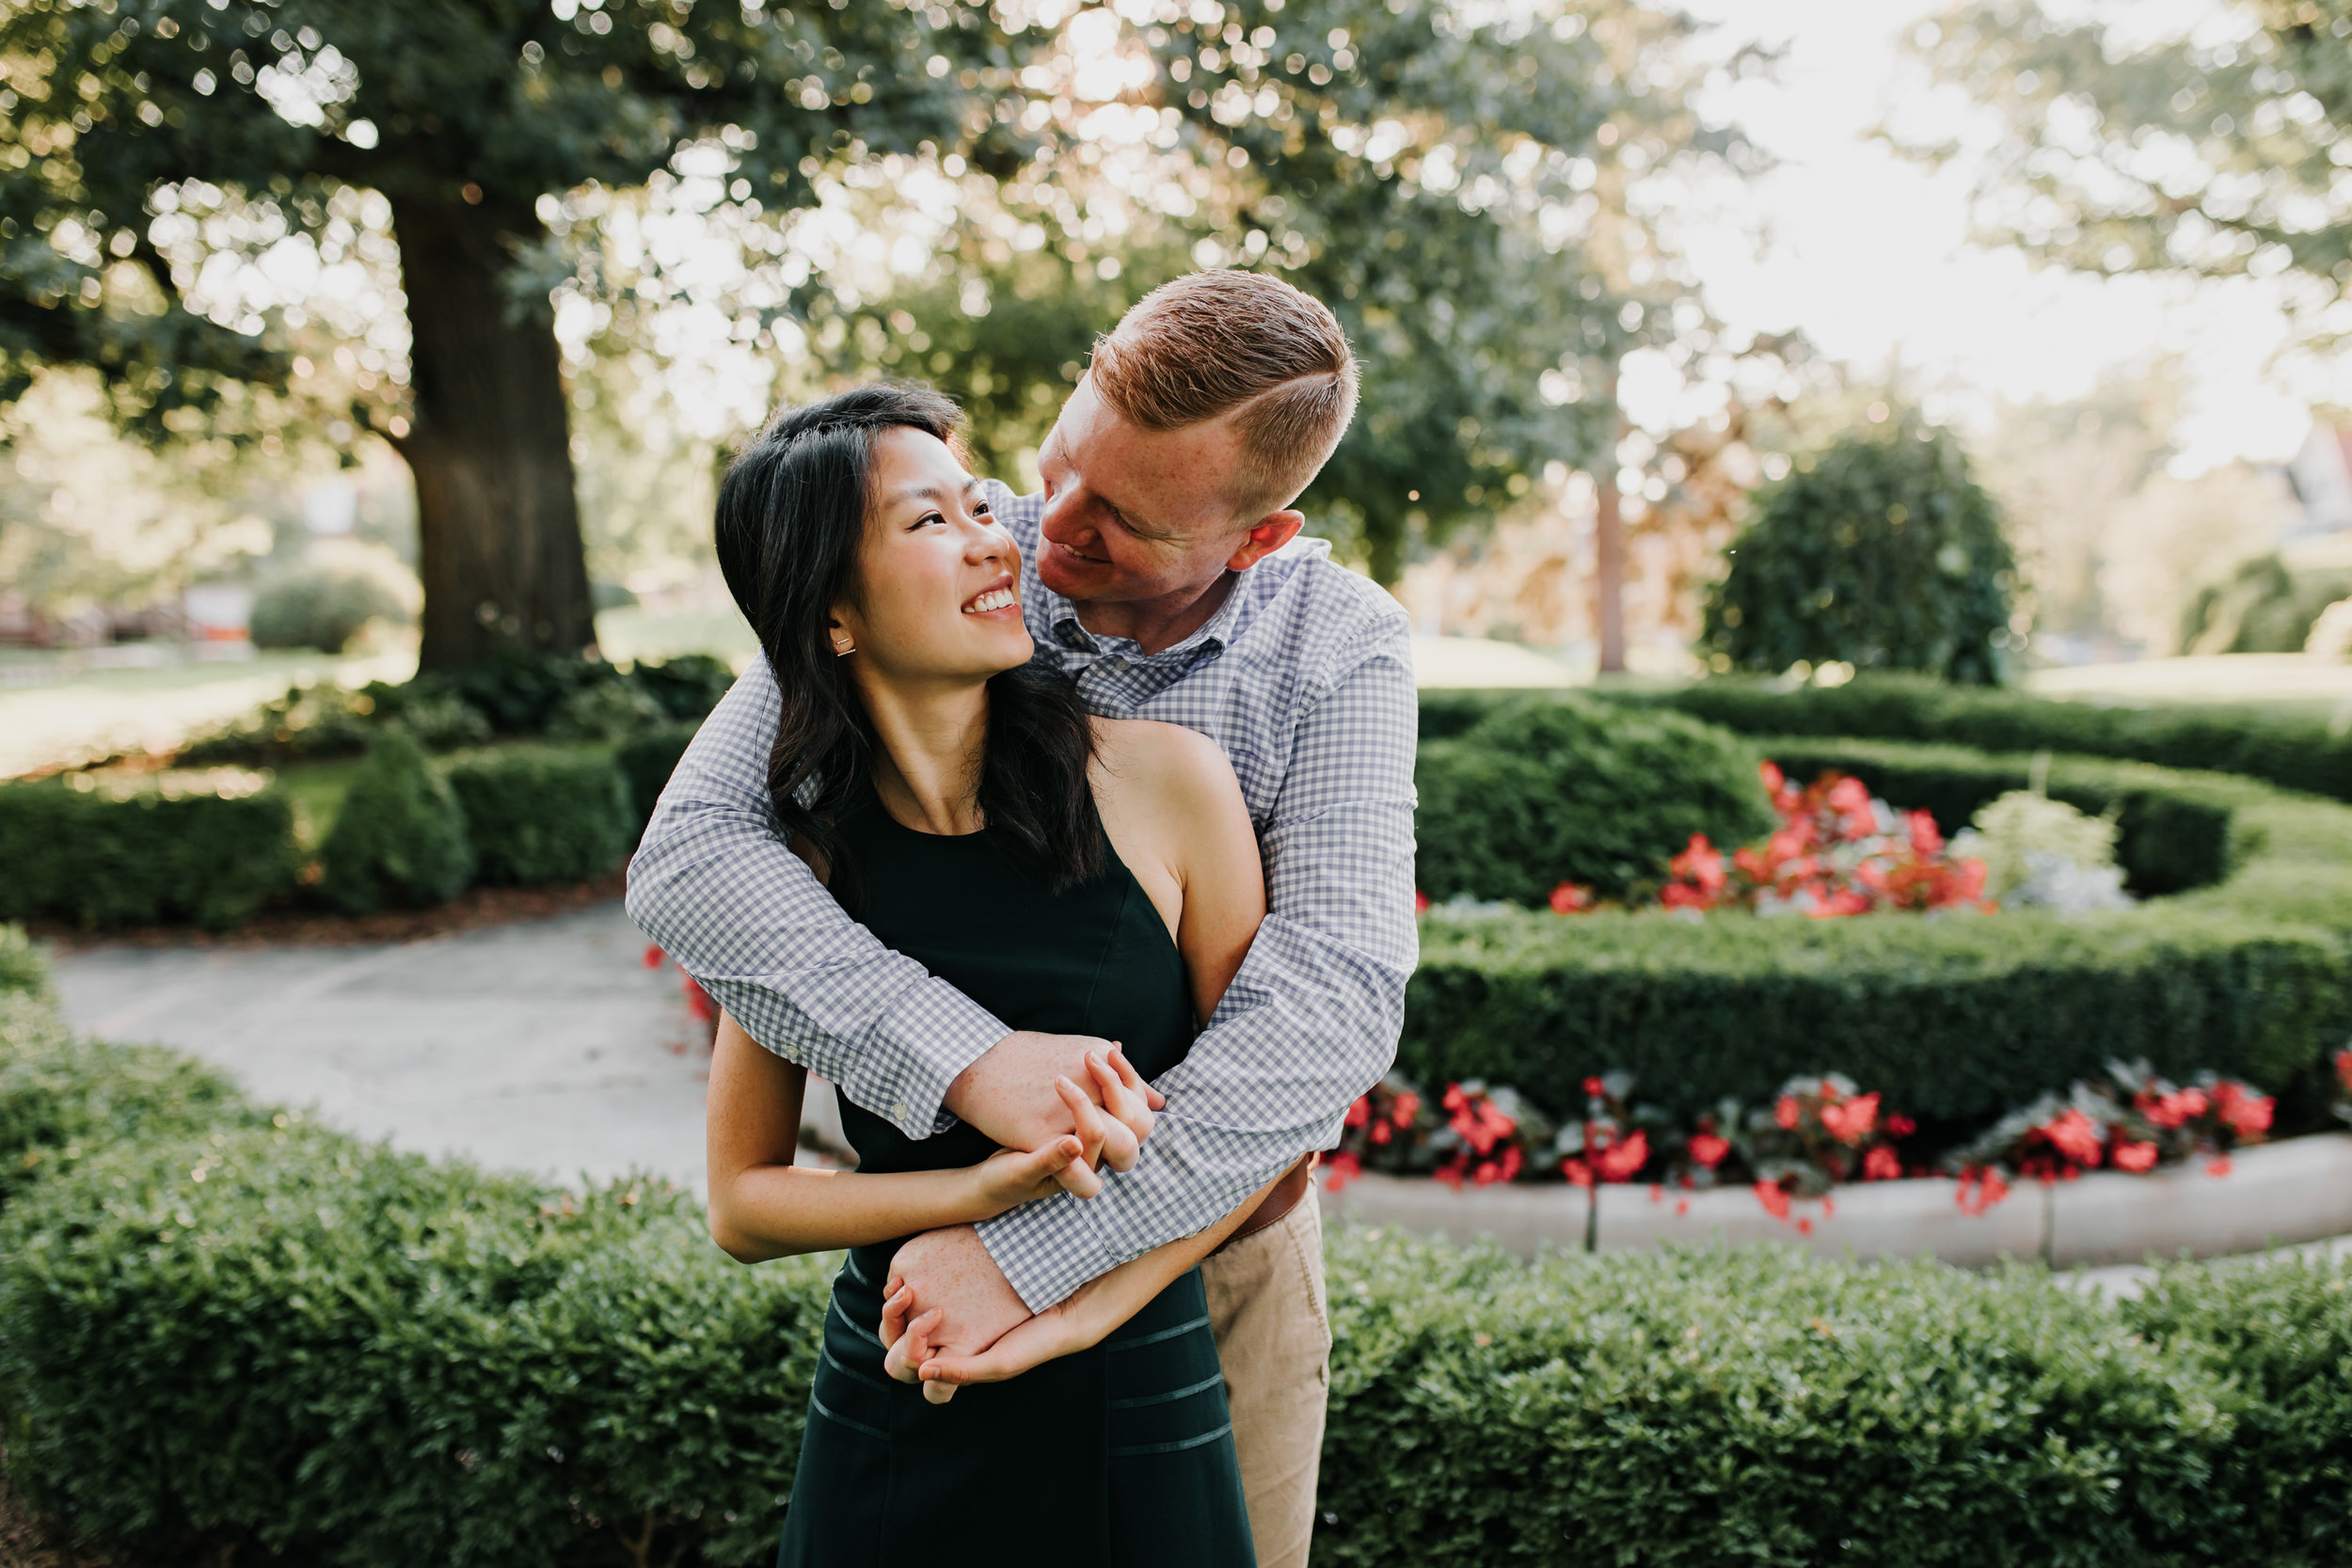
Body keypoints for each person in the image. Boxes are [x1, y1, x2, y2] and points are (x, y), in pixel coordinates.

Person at [629, 270, 1418, 1568]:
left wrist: (1038, 1246)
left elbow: (1324, 1013)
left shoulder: (1335, 649)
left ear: (1255, 538)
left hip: (1217, 1251)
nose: (1048, 528)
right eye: (1058, 464)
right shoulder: (940, 542)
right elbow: (694, 856)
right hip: (924, 1271)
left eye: (1123, 520)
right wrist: (971, 1061)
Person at [700, 384, 1278, 1560]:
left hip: (1134, 1389)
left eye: (979, 505)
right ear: (831, 615)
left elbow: (1269, 1130)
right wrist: (970, 1199)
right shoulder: (790, 862)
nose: (993, 538)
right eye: (930, 523)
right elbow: (744, 1202)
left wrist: (1058, 1287)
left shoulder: (1169, 783)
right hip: (902, 1377)